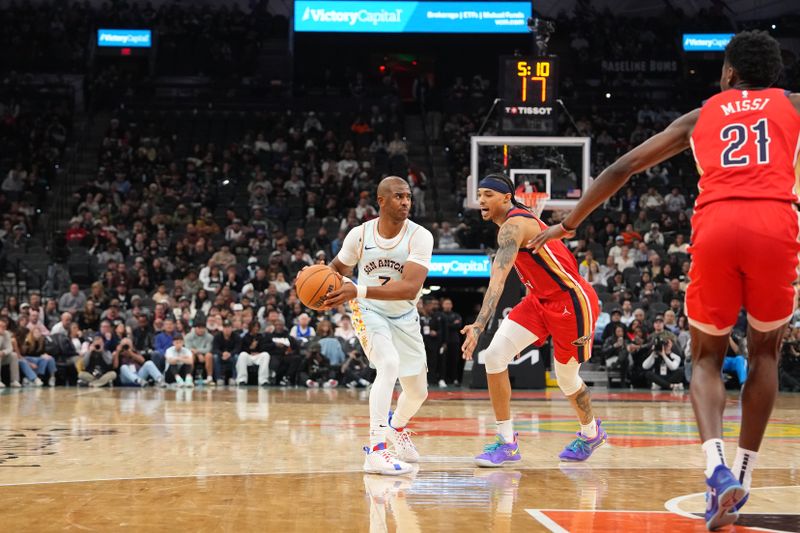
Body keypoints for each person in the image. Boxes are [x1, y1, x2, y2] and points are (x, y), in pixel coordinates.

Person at [530, 31, 797, 529]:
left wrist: (568, 223)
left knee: (706, 357)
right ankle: (744, 474)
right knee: (765, 354)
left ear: (729, 74)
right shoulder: (794, 105)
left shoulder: (701, 116)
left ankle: (716, 469)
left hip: (717, 226)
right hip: (776, 224)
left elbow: (624, 166)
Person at [461, 174, 607, 468]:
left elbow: (497, 282)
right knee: (493, 356)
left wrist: (478, 325)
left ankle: (591, 433)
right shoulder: (516, 222)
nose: (481, 200)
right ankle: (507, 443)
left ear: (506, 198)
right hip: (538, 300)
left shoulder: (513, 227)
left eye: (488, 194)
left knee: (566, 379)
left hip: (571, 302)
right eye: (479, 194)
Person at [323, 176, 434, 476]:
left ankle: (395, 428)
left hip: (403, 315)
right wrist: (318, 278)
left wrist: (356, 289)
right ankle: (375, 451)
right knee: (388, 364)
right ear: (381, 201)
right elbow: (336, 269)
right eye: (398, 196)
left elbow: (410, 288)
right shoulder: (360, 235)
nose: (406, 202)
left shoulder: (419, 236)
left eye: (408, 197)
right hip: (368, 310)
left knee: (418, 392)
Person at [0, 318, 22, 388]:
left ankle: (14, 381)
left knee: (14, 355)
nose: (2, 328)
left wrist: (4, 352)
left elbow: (10, 348)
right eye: (0, 326)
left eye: (4, 326)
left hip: (2, 357)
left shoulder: (7, 333)